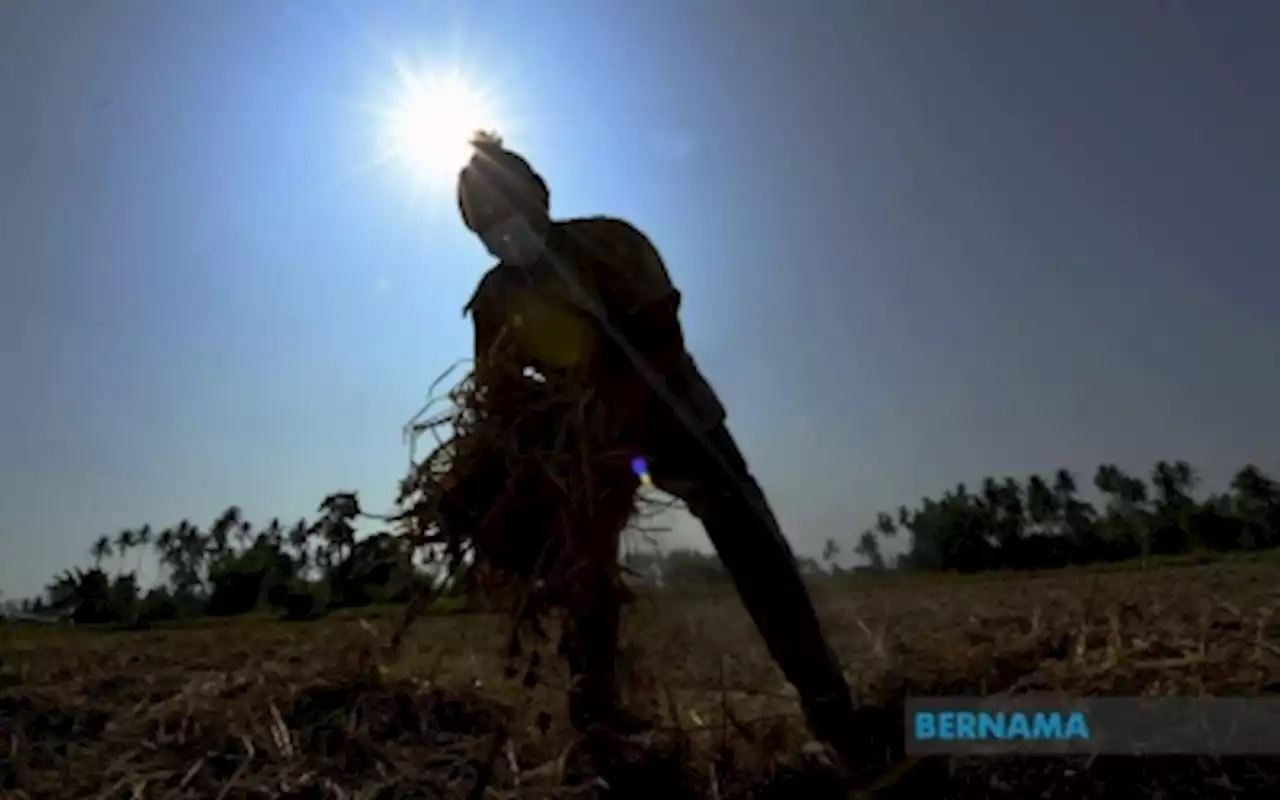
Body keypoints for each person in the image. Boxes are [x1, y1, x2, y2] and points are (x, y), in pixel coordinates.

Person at [451, 132, 860, 766]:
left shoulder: (610, 243)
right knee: (583, 572)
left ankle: (829, 706)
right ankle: (597, 719)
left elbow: (661, 338)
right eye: (487, 226)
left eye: (510, 212)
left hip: (676, 418)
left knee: (752, 544)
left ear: (541, 198)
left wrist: (612, 411)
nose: (504, 232)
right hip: (585, 450)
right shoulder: (495, 300)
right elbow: (497, 392)